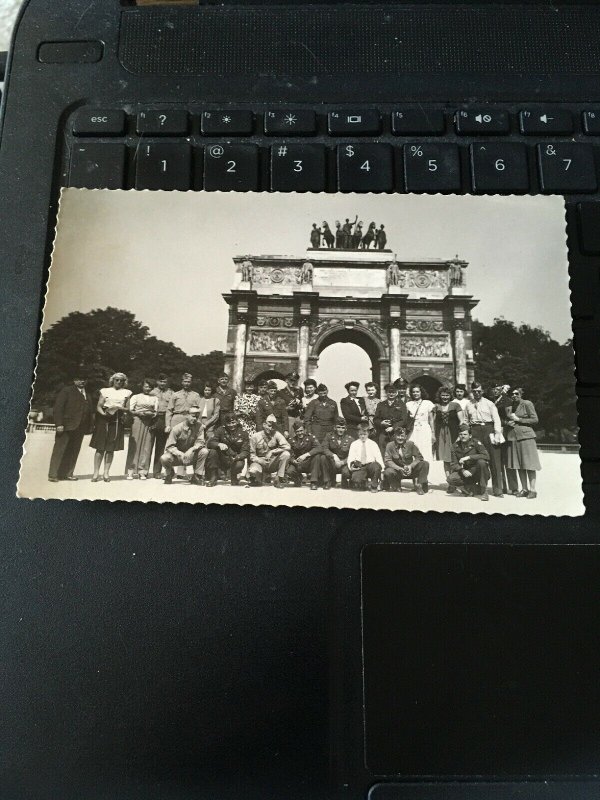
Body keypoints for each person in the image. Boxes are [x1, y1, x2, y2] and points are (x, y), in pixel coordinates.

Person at [47, 373, 94, 482]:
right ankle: (53, 475)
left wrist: (90, 426)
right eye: (79, 379)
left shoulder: (88, 393)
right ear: (74, 380)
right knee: (60, 450)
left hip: (80, 428)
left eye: (84, 379)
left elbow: (90, 411)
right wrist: (59, 424)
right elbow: (58, 408)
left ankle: (68, 474)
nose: (82, 381)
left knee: (73, 451)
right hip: (66, 426)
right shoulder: (66, 391)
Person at [464, 382, 504, 498]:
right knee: (476, 460)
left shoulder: (489, 403)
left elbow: (497, 419)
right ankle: (480, 488)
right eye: (474, 391)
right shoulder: (468, 405)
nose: (477, 393)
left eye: (479, 391)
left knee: (495, 460)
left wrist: (497, 433)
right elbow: (466, 420)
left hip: (489, 430)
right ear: (472, 392)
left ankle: (498, 490)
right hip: (475, 431)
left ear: (482, 391)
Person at [90, 372, 132, 482]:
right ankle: (95, 473)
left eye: (121, 380)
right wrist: (103, 414)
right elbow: (99, 406)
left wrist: (118, 407)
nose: (118, 382)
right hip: (104, 418)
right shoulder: (105, 391)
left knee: (110, 447)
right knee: (100, 447)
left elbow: (127, 408)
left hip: (117, 419)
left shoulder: (127, 393)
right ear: (112, 380)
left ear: (124, 382)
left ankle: (106, 473)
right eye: (116, 380)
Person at [504, 387, 541, 499]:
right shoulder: (511, 406)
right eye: (512, 394)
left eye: (516, 393)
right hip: (514, 438)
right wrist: (509, 422)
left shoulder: (527, 403)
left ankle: (533, 490)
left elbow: (535, 420)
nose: (514, 396)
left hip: (526, 437)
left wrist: (519, 420)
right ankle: (524, 489)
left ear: (521, 394)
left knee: (529, 464)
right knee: (519, 465)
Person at [160, 407, 210, 485]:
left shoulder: (199, 426)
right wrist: (181, 454)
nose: (195, 419)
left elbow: (200, 442)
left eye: (197, 416)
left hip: (191, 455)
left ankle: (197, 476)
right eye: (193, 416)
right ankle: (169, 473)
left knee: (204, 451)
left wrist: (191, 450)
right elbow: (169, 446)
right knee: (164, 458)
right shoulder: (177, 428)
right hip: (178, 457)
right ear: (187, 415)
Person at [447, 423, 491, 501]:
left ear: (470, 435)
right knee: (451, 479)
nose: (462, 436)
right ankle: (470, 489)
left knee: (482, 462)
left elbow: (486, 456)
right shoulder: (455, 446)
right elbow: (453, 464)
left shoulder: (476, 443)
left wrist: (469, 457)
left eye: (465, 434)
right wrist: (462, 470)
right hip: (466, 472)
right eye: (460, 434)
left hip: (477, 471)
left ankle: (484, 491)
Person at [126, 378, 158, 480]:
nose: (147, 388)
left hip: (149, 422)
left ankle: (142, 471)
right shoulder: (136, 396)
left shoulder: (155, 398)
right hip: (137, 420)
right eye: (145, 386)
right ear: (142, 386)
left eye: (149, 387)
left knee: (147, 446)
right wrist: (138, 413)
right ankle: (131, 470)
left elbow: (156, 411)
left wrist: (151, 414)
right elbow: (130, 410)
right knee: (134, 445)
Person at [206, 412, 250, 487]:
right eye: (228, 423)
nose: (231, 425)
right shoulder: (220, 430)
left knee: (239, 464)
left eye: (233, 422)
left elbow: (245, 451)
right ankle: (213, 477)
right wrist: (219, 444)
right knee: (212, 452)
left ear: (237, 421)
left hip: (235, 458)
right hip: (222, 458)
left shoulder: (243, 433)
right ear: (225, 424)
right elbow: (210, 443)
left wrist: (237, 457)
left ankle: (234, 476)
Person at [384, 425, 429, 494]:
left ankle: (420, 485)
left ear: (405, 437)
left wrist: (411, 466)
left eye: (402, 436)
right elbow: (387, 461)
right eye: (398, 436)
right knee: (388, 471)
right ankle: (396, 485)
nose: (400, 438)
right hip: (398, 471)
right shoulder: (390, 445)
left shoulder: (410, 444)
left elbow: (419, 457)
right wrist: (399, 468)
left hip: (410, 470)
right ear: (394, 436)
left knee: (425, 464)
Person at [247, 417, 291, 488]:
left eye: (273, 427)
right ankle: (257, 478)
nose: (271, 429)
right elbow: (251, 455)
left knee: (286, 454)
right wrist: (260, 461)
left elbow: (287, 446)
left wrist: (273, 451)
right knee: (253, 471)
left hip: (271, 462)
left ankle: (278, 478)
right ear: (264, 425)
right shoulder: (255, 436)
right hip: (259, 462)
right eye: (269, 426)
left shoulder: (276, 434)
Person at [432, 386, 463, 481]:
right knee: (445, 459)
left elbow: (462, 421)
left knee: (454, 457)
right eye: (443, 395)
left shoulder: (456, 405)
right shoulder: (436, 407)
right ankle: (449, 480)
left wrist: (460, 435)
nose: (445, 397)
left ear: (450, 396)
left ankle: (457, 479)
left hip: (454, 433)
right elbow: (432, 422)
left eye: (447, 395)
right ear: (440, 396)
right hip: (441, 435)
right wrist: (433, 435)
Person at [319, 417, 354, 489]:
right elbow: (323, 448)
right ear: (334, 427)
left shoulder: (350, 439)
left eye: (343, 428)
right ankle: (327, 481)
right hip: (333, 462)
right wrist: (333, 455)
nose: (341, 430)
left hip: (344, 464)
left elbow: (353, 455)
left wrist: (343, 462)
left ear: (346, 429)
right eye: (338, 427)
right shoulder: (329, 436)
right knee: (323, 458)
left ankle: (346, 481)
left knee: (345, 476)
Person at [373, 383, 409, 455]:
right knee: (383, 452)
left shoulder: (401, 404)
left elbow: (404, 420)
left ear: (396, 393)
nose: (391, 394)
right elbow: (375, 419)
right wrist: (381, 423)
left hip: (396, 434)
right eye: (389, 392)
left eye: (393, 392)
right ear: (386, 393)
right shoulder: (381, 404)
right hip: (383, 432)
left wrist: (393, 427)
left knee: (396, 453)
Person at [347, 423, 384, 491]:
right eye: (361, 434)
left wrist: (382, 470)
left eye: (365, 434)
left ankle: (374, 485)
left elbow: (379, 457)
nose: (363, 436)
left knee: (376, 466)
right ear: (358, 433)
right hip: (360, 466)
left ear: (368, 433)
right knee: (357, 481)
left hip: (370, 465)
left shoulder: (373, 444)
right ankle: (363, 483)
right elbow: (351, 457)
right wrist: (351, 466)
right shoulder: (354, 444)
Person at [149, 373, 173, 479]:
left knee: (161, 447)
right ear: (157, 381)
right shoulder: (151, 392)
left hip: (165, 419)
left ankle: (158, 471)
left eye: (164, 381)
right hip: (153, 418)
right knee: (148, 446)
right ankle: (143, 470)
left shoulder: (171, 392)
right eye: (160, 381)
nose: (162, 383)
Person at [286, 419, 322, 488]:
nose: (300, 433)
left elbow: (319, 448)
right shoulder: (292, 440)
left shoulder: (311, 437)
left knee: (317, 456)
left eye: (301, 431)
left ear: (305, 430)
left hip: (309, 462)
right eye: (297, 431)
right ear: (295, 432)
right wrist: (293, 460)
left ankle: (313, 482)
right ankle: (298, 479)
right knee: (289, 471)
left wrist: (306, 455)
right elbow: (289, 452)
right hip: (298, 463)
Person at [406, 384, 435, 465]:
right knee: (413, 447)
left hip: (424, 428)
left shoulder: (428, 403)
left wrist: (433, 433)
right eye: (413, 392)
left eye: (417, 392)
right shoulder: (408, 404)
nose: (415, 393)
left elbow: (431, 419)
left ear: (421, 392)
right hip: (413, 429)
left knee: (425, 449)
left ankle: (427, 471)